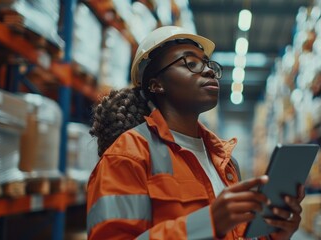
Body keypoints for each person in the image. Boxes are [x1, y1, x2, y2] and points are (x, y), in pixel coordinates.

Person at [87, 26, 305, 239]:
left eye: (208, 64)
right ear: (156, 85)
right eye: (191, 63)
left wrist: (274, 234)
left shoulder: (225, 162)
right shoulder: (128, 155)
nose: (209, 70)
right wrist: (207, 223)